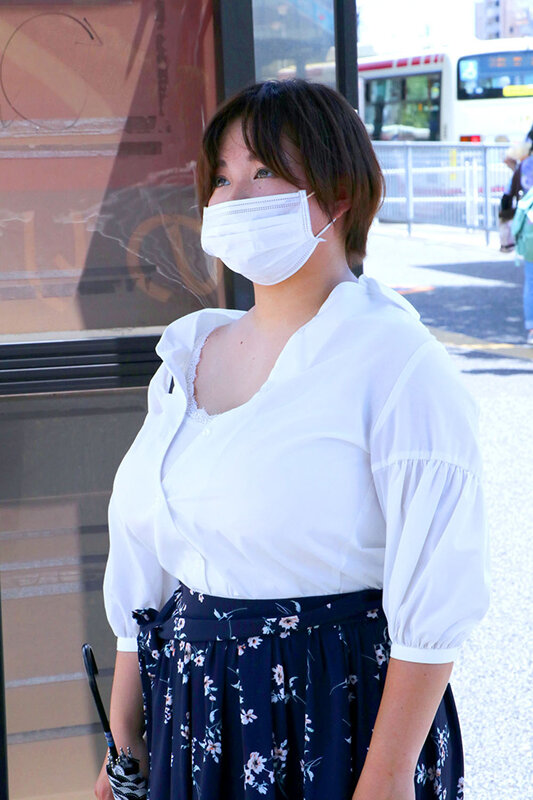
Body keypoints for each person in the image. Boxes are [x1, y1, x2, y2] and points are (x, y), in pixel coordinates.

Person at [96, 80, 489, 800]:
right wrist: (124, 741)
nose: (233, 197)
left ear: (338, 195)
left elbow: (435, 601)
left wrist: (387, 779)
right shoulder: (186, 358)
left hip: (332, 718)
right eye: (221, 178)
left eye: (264, 171)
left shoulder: (395, 362)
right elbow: (144, 568)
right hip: (191, 714)